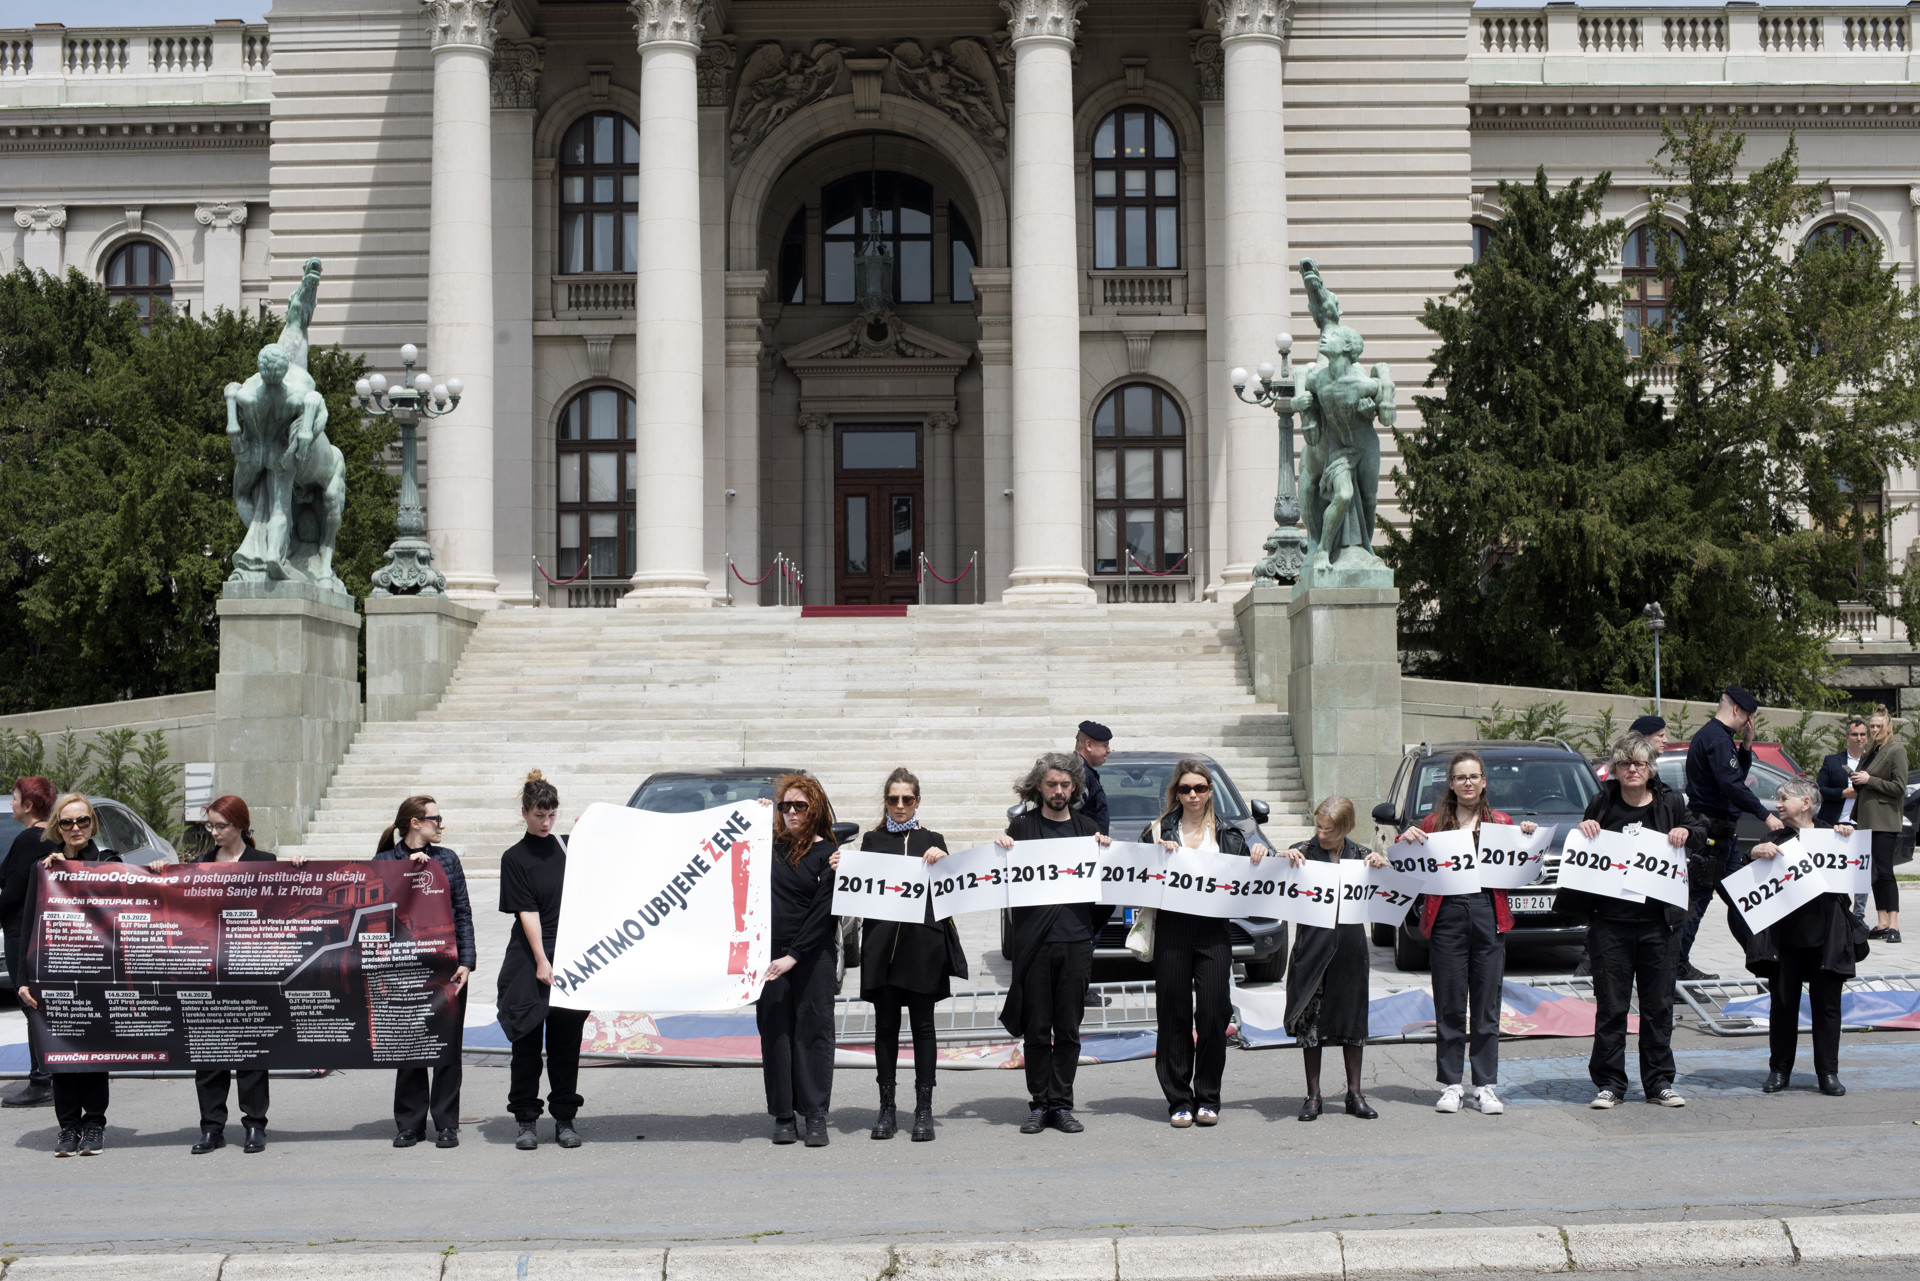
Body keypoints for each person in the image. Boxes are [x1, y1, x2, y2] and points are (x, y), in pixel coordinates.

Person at [1555, 734, 1704, 1110]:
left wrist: (1686, 833)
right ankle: (1609, 1083)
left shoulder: (1671, 802)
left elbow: (1702, 833)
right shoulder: (1602, 802)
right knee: (1611, 1006)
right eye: (1625, 764)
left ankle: (1658, 1082)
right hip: (1611, 924)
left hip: (1659, 924)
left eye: (1639, 763)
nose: (1632, 770)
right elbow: (1584, 850)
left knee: (1658, 1007)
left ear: (1651, 768)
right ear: (1616, 769)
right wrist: (1586, 828)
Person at [1398, 750, 1540, 1115]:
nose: (1467, 783)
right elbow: (1407, 867)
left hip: (1487, 913)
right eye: (1460, 777)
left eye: (1473, 777)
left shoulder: (1501, 821)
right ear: (1450, 784)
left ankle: (1485, 1085)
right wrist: (1406, 839)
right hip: (1447, 915)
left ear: (1484, 781)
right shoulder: (1432, 824)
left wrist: (1525, 838)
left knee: (1486, 1004)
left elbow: (1525, 866)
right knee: (1448, 1002)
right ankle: (1450, 1084)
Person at [832, 768, 965, 1142]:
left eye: (907, 799)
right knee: (885, 1029)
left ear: (918, 801)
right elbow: (856, 888)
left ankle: (924, 1109)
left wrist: (944, 859)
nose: (901, 805)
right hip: (883, 951)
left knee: (924, 1029)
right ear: (886, 802)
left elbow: (952, 890)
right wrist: (841, 867)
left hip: (923, 948)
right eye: (894, 799)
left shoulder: (932, 839)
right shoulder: (872, 841)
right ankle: (886, 1107)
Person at [1142, 758, 1271, 1128]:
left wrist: (1259, 856)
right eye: (1185, 789)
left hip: (1214, 931)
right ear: (1176, 793)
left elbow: (1256, 876)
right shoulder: (1157, 830)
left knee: (1214, 1013)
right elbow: (1131, 871)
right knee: (1173, 1014)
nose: (1193, 795)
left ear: (1210, 791)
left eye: (1200, 787)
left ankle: (1208, 1097)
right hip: (1172, 930)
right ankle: (1179, 1098)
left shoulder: (1230, 834)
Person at [995, 752, 1114, 1135]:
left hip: (1076, 943)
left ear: (1075, 788)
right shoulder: (1021, 829)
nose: (1059, 791)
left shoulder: (1087, 829)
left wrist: (1106, 851)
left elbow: (1106, 894)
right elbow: (1001, 884)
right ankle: (1039, 1104)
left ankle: (1062, 1104)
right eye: (1051, 784)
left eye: (1065, 785)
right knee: (1037, 1028)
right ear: (1038, 787)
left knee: (1067, 1028)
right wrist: (999, 851)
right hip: (1035, 945)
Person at [17, 794, 138, 1155]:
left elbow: (138, 892)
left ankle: (94, 1125)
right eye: (67, 822)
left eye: (83, 821)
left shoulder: (108, 862)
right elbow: (29, 925)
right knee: (61, 1054)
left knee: (93, 1055)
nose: (76, 829)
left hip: (98, 973)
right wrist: (23, 978)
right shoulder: (44, 868)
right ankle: (68, 1127)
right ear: (57, 826)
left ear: (92, 824)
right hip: (55, 973)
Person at [1746, 776, 1864, 1096]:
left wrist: (1849, 842)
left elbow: (1868, 873)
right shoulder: (1775, 838)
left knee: (1827, 1008)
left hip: (1827, 939)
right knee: (1783, 1007)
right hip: (1785, 940)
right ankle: (1779, 1071)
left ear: (1806, 804)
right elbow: (1747, 885)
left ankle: (1827, 1073)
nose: (1778, 804)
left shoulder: (1834, 836)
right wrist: (1754, 853)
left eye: (1784, 798)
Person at [374, 795, 475, 1149]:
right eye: (436, 818)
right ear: (415, 823)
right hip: (404, 967)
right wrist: (409, 872)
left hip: (446, 965)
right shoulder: (386, 860)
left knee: (447, 1046)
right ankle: (410, 1123)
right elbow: (374, 910)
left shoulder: (446, 859)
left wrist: (467, 961)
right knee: (409, 1044)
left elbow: (462, 911)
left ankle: (447, 1123)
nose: (441, 824)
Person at [497, 770, 586, 1151]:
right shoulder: (514, 858)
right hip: (531, 957)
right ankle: (526, 1120)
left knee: (567, 1044)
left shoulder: (568, 848)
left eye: (552, 815)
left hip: (570, 956)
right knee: (527, 1045)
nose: (547, 823)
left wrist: (593, 831)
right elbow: (527, 913)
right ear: (524, 813)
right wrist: (541, 960)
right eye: (539, 816)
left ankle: (564, 1118)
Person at [1281, 796, 1384, 1122]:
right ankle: (1313, 1096)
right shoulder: (1304, 852)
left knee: (1353, 1022)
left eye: (1329, 830)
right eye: (1319, 827)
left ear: (1346, 828)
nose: (1321, 834)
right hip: (1313, 950)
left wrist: (1383, 866)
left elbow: (1391, 890)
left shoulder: (1362, 856)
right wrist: (1280, 858)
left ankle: (1355, 1093)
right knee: (1310, 1023)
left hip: (1350, 951)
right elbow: (1269, 877)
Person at [1678, 687, 1786, 982]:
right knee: (1698, 902)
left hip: (1721, 835)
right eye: (1749, 716)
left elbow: (1734, 776)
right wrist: (1766, 815)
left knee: (1745, 900)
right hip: (1711, 835)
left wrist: (1747, 747)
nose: (1749, 722)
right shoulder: (1717, 738)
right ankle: (1674, 969)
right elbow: (1732, 786)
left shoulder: (1720, 738)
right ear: (1736, 710)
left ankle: (1765, 963)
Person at [190, 796, 278, 1154]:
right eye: (210, 825)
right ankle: (212, 1127)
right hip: (209, 970)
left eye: (220, 826)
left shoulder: (265, 863)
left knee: (252, 1053)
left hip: (250, 969)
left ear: (240, 825)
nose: (214, 832)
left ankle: (255, 1125)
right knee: (209, 1054)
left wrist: (300, 868)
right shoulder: (199, 864)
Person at [758, 773, 840, 1147]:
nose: (791, 812)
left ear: (814, 809)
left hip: (813, 954)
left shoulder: (829, 855)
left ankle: (816, 1114)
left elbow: (826, 913)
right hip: (769, 954)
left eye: (800, 806)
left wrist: (794, 955)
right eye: (785, 806)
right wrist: (753, 819)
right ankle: (783, 1114)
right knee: (776, 1032)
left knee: (814, 1033)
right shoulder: (765, 846)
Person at [0, 775, 55, 1109]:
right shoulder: (49, 838)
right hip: (42, 931)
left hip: (22, 931)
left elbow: (12, 893)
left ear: (29, 805)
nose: (11, 803)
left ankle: (41, 1080)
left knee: (30, 1006)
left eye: (15, 797)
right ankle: (51, 1074)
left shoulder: (29, 839)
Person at [1854, 706, 1905, 945]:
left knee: (1885, 872)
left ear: (1888, 727)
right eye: (1871, 726)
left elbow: (1899, 787)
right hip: (1866, 819)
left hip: (1885, 819)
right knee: (1873, 873)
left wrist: (1870, 780)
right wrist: (1857, 779)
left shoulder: (1896, 750)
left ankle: (1894, 924)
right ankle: (1882, 922)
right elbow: (1861, 780)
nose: (1874, 730)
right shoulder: (1870, 752)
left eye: (1878, 726)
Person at [1815, 718, 1871, 923]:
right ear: (1847, 737)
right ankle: (1835, 913)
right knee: (1834, 871)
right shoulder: (1832, 761)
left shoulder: (1873, 762)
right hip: (1833, 823)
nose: (1859, 739)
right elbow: (1818, 790)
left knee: (1861, 872)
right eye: (1855, 735)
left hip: (1862, 824)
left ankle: (1858, 917)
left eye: (1863, 735)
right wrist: (1843, 793)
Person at [1074, 720, 1113, 836]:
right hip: (1083, 849)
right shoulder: (1079, 773)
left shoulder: (1081, 770)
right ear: (1088, 745)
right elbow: (1066, 815)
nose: (1109, 750)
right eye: (1105, 746)